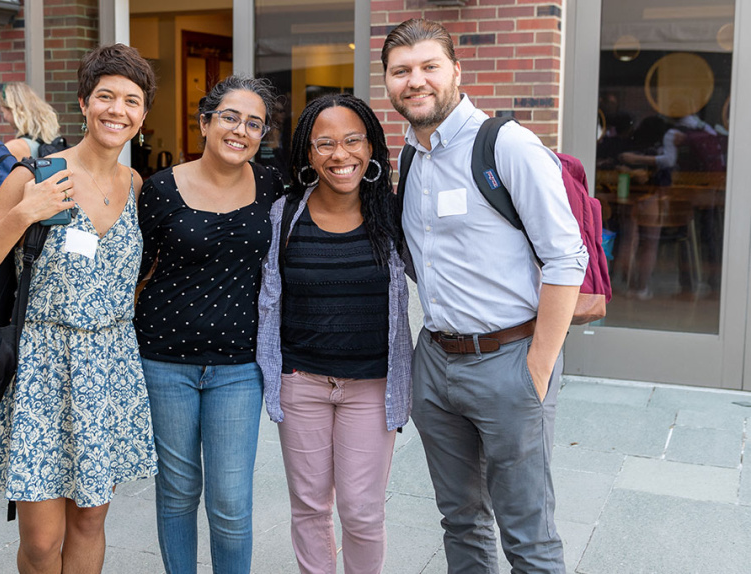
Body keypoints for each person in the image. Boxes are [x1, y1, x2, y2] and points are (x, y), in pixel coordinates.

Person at [382, 19, 588, 573]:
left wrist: (537, 368)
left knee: (529, 534)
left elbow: (567, 258)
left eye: (429, 66)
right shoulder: (412, 156)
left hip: (509, 361)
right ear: (388, 83)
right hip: (437, 362)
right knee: (461, 521)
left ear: (456, 71)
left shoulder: (507, 145)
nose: (415, 81)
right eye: (401, 71)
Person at [0, 43, 158, 574]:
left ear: (142, 115)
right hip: (46, 365)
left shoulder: (135, 186)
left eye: (131, 101)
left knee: (90, 522)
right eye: (106, 96)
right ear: (85, 103)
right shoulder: (37, 175)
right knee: (43, 541)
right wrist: (25, 213)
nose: (118, 110)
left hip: (110, 367)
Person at [256, 93, 411, 574]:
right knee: (309, 507)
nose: (339, 155)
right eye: (324, 144)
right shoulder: (282, 215)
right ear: (307, 152)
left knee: (362, 512)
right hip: (302, 382)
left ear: (371, 148)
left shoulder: (392, 214)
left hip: (371, 386)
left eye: (352, 141)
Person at [134, 75, 282, 574]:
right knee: (177, 492)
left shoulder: (271, 185)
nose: (241, 130)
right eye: (230, 117)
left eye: (254, 123)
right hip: (164, 363)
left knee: (232, 503)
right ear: (205, 123)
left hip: (240, 367)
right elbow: (135, 270)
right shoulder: (159, 190)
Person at [0, 82, 64, 160]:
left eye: (3, 111)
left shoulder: (14, 148)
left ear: (13, 110)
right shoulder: (51, 140)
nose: (4, 117)